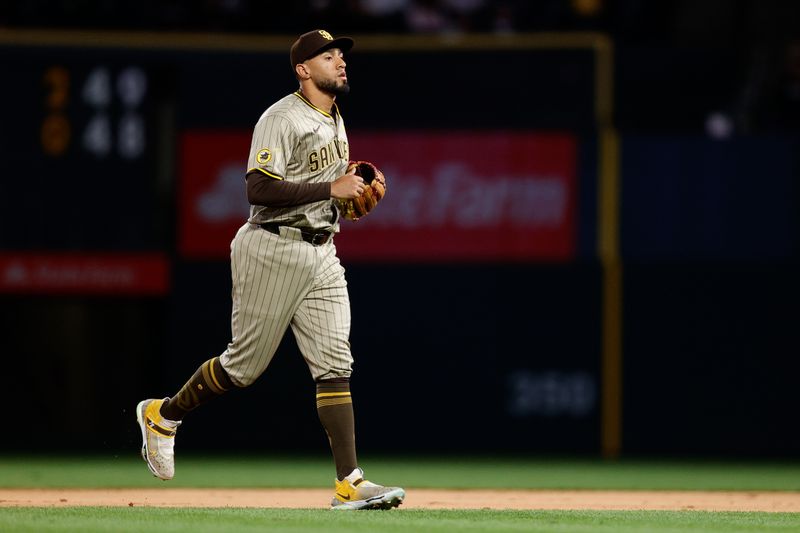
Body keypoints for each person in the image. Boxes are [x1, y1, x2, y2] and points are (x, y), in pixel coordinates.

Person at [136, 29, 405, 511]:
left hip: (322, 251)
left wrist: (348, 197)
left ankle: (349, 482)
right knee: (243, 367)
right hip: (272, 248)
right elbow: (258, 190)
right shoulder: (280, 118)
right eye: (328, 56)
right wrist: (330, 189)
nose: (340, 61)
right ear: (304, 70)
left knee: (335, 363)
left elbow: (329, 191)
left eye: (341, 54)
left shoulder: (335, 117)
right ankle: (162, 415)